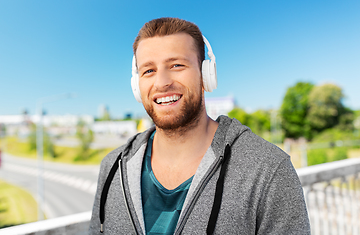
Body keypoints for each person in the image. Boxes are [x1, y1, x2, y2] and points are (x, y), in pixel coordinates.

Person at [89, 17, 310, 235]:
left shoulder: (268, 170)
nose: (162, 82)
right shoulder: (113, 167)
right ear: (136, 87)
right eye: (149, 70)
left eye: (176, 65)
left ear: (206, 75)